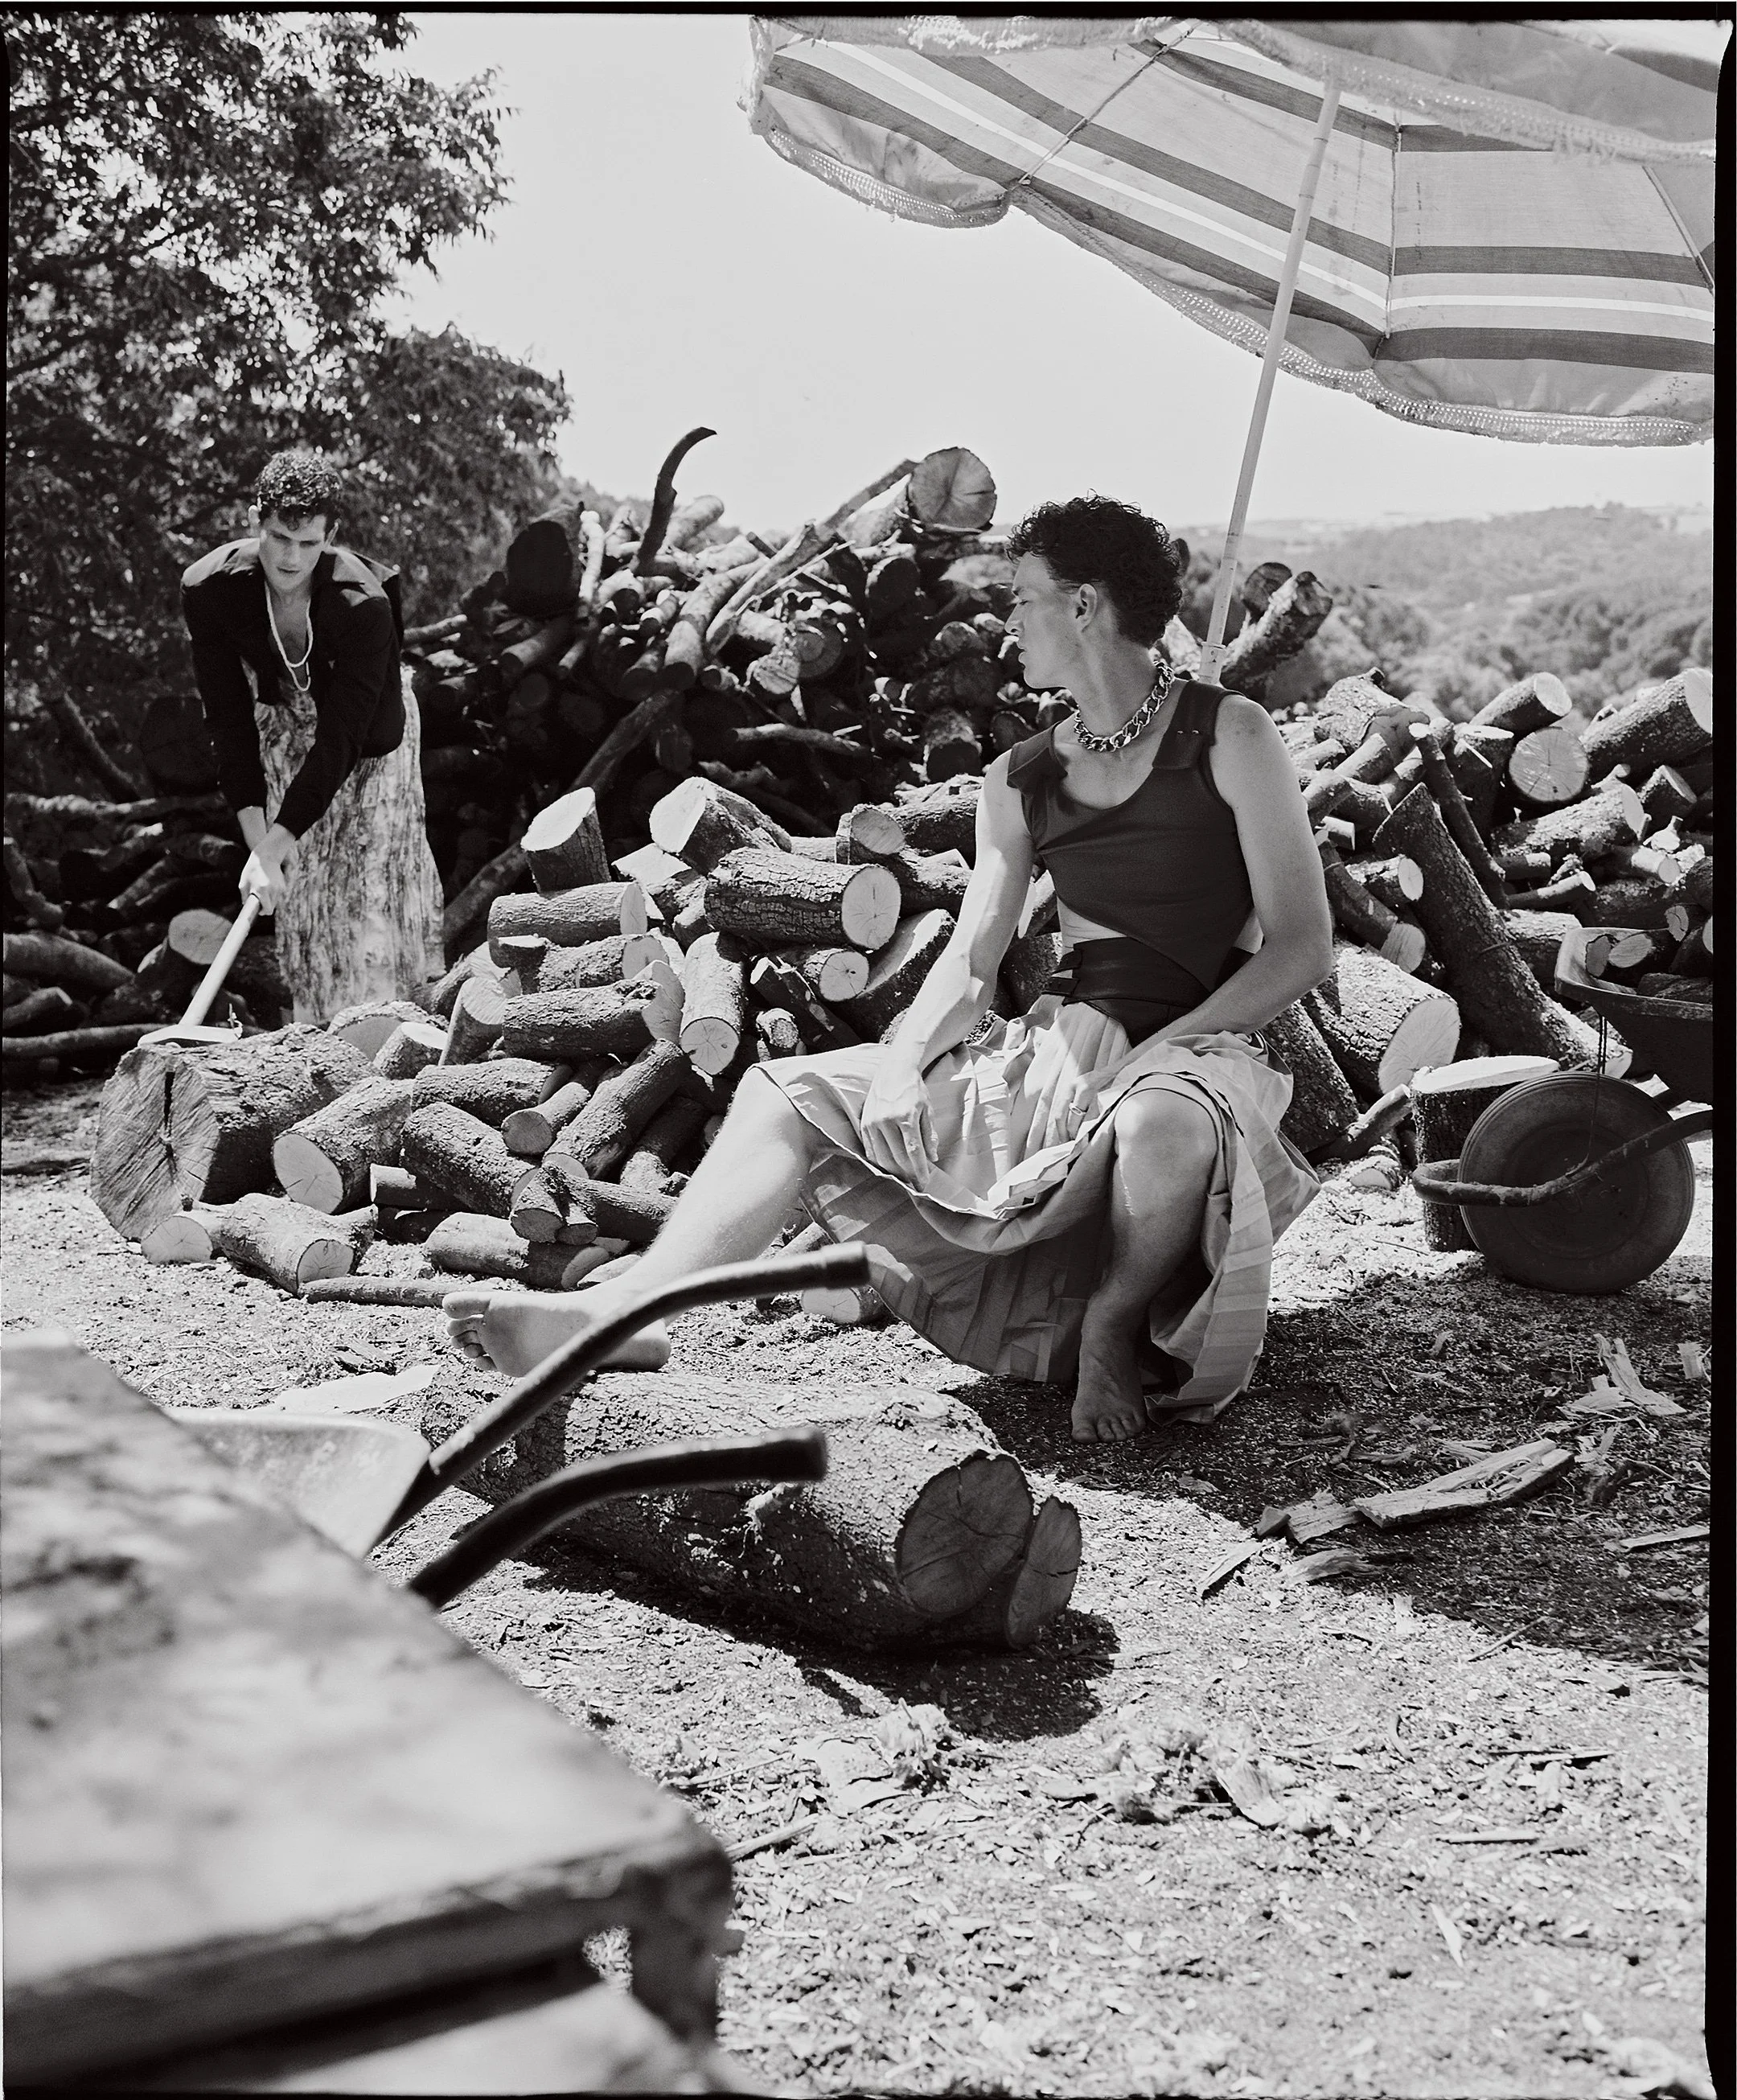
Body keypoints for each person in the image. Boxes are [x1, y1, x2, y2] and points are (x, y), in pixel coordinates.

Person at [447, 495, 1333, 1443]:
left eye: (1024, 597)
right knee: (784, 1094)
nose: (1008, 620)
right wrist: (907, 1064)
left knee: (1161, 1119)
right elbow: (974, 957)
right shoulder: (1021, 776)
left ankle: (1115, 1318)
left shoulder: (1232, 734)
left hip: (1200, 1053)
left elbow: (1301, 946)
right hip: (1062, 1052)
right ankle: (622, 1315)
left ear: (1084, 606)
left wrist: (1157, 1051)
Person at [182, 450, 445, 1025]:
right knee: (302, 895)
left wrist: (272, 846)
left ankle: (389, 1034)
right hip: (283, 723)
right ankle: (316, 1037)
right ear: (256, 520)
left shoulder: (363, 606)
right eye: (279, 537)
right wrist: (262, 847)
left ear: (332, 536)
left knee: (369, 892)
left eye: (308, 543)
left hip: (369, 746)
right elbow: (227, 719)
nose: (291, 558)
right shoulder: (210, 589)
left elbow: (342, 740)